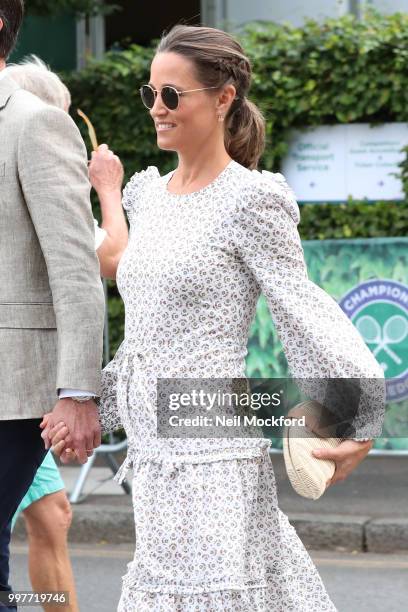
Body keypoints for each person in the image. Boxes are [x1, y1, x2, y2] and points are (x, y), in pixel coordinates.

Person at [45, 24, 385, 611]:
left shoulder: (251, 201)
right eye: (149, 93)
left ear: (223, 97)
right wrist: (90, 400)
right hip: (154, 453)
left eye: (172, 94)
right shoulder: (149, 196)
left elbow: (302, 307)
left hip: (212, 445)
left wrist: (355, 411)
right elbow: (144, 326)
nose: (157, 107)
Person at [5, 56, 126, 612]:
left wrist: (78, 392)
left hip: (18, 386)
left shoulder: (33, 127)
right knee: (45, 523)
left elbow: (91, 265)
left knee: (52, 518)